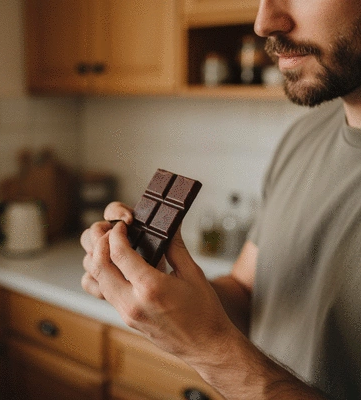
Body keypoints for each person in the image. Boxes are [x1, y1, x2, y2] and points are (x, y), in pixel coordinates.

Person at [80, 0, 361, 398]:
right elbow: (249, 293)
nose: (265, 23)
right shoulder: (303, 138)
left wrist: (210, 349)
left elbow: (220, 345)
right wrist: (161, 289)